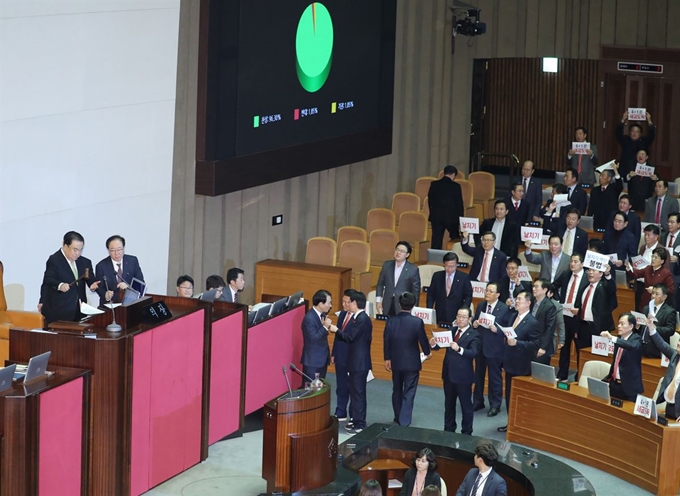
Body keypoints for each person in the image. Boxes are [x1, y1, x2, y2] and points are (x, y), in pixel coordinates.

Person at [384, 292, 432, 427]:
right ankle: (404, 422)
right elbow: (423, 340)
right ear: (413, 306)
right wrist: (427, 352)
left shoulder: (391, 320)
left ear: (399, 305)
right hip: (412, 363)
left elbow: (386, 340)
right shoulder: (417, 322)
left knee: (397, 389)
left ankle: (398, 417)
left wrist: (387, 358)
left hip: (396, 361)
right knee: (409, 392)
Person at [430, 307, 479, 434]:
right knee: (449, 405)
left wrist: (459, 349)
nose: (460, 319)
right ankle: (449, 430)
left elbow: (473, 353)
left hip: (463, 377)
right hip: (448, 375)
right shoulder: (451, 330)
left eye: (463, 317)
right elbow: (440, 345)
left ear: (469, 319)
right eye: (458, 316)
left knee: (466, 407)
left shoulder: (474, 334)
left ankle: (466, 432)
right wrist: (434, 344)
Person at [498, 291, 540, 432]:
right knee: (509, 396)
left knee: (519, 397)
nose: (517, 302)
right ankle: (510, 423)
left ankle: (520, 426)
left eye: (520, 300)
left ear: (528, 303)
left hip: (522, 366)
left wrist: (517, 343)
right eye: (516, 299)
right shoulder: (512, 317)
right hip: (509, 363)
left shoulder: (532, 322)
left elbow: (535, 344)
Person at [331, 291, 372, 433]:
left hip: (359, 363)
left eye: (350, 302)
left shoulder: (362, 318)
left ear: (355, 303)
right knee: (355, 392)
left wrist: (335, 330)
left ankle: (360, 423)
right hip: (354, 362)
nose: (348, 305)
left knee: (358, 393)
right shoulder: (357, 317)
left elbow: (350, 337)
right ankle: (355, 420)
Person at [40, 231, 99, 325]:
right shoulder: (54, 260)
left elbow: (89, 278)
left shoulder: (85, 262)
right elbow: (48, 279)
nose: (78, 253)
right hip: (60, 311)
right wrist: (60, 285)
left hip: (79, 311)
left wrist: (92, 284)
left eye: (80, 250)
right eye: (75, 250)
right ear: (65, 245)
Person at [472, 282, 511, 417]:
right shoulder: (481, 305)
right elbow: (476, 322)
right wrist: (475, 324)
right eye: (486, 290)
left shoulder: (504, 309)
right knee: (478, 376)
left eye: (491, 291)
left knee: (495, 378)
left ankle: (495, 405)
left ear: (498, 294)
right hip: (480, 347)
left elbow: (508, 329)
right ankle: (478, 401)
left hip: (495, 348)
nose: (487, 293)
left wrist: (498, 330)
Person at [555, 253, 589, 380]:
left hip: (578, 317)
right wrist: (559, 301)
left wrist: (580, 309)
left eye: (575, 261)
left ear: (582, 264)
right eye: (571, 261)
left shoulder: (587, 277)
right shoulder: (566, 274)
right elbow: (553, 286)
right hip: (565, 315)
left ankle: (579, 375)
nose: (572, 264)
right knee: (564, 346)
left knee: (579, 348)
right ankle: (562, 373)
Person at [601, 313, 644, 402]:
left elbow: (631, 346)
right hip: (614, 383)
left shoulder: (637, 340)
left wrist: (612, 338)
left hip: (629, 387)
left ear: (631, 326)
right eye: (618, 323)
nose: (619, 326)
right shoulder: (619, 339)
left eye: (622, 324)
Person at [94, 235, 145, 305]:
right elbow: (100, 288)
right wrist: (105, 295)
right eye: (112, 250)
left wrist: (128, 287)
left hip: (131, 304)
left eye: (119, 249)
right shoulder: (101, 266)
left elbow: (141, 284)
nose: (116, 253)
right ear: (108, 250)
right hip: (110, 305)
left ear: (123, 249)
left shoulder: (132, 261)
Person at [577, 267, 617, 353]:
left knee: (597, 355)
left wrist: (608, 274)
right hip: (583, 327)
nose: (590, 273)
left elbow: (612, 288)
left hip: (599, 328)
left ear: (601, 274)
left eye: (593, 270)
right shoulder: (585, 287)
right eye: (589, 270)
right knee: (582, 354)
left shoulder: (604, 287)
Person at [376, 241, 421, 316]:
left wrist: (414, 308)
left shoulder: (413, 270)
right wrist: (378, 301)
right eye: (397, 249)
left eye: (402, 251)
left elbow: (415, 291)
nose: (398, 252)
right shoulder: (387, 265)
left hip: (403, 306)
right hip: (387, 304)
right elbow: (380, 283)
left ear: (407, 255)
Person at [426, 252, 472, 324]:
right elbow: (431, 295)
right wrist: (429, 311)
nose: (449, 269)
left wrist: (463, 313)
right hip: (439, 314)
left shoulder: (464, 277)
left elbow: (468, 296)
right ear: (444, 264)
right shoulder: (437, 276)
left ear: (457, 264)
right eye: (447, 266)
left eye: (452, 266)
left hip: (456, 315)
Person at [301, 289, 336, 380]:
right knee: (312, 390)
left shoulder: (322, 315)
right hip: (313, 362)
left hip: (322, 359)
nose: (331, 306)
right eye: (329, 303)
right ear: (321, 304)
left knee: (320, 389)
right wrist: (324, 327)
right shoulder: (309, 318)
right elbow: (312, 338)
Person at [647, 323, 680, 420]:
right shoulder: (675, 355)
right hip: (669, 407)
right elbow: (662, 344)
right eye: (679, 341)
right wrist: (651, 329)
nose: (678, 343)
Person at [331, 289, 355, 420]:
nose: (344, 305)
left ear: (353, 302)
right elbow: (337, 336)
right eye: (343, 301)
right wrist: (334, 352)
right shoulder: (342, 315)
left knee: (352, 387)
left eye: (347, 302)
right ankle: (340, 411)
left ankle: (353, 414)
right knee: (340, 386)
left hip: (351, 357)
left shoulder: (359, 318)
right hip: (340, 355)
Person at [428, 165, 464, 249]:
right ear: (454, 174)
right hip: (451, 218)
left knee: (436, 240)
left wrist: (433, 212)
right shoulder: (456, 186)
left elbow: (430, 201)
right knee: (455, 238)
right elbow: (459, 204)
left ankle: (434, 259)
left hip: (436, 217)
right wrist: (461, 219)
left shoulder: (434, 184)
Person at [626, 247, 674, 312]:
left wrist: (655, 290)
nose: (653, 259)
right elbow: (636, 273)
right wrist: (629, 268)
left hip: (657, 303)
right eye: (652, 256)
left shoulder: (666, 273)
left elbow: (670, 289)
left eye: (656, 257)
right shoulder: (648, 268)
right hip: (645, 301)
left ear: (662, 261)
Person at [638, 284, 677, 359]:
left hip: (656, 350)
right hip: (642, 348)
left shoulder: (669, 311)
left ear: (664, 297)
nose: (653, 296)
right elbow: (642, 328)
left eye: (657, 294)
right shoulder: (646, 308)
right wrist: (638, 326)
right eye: (652, 293)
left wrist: (655, 328)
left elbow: (670, 330)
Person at [616, 110, 655, 179]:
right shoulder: (625, 140)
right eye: (633, 131)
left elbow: (651, 136)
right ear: (630, 132)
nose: (634, 133)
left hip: (638, 172)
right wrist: (623, 119)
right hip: (624, 170)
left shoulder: (643, 141)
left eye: (637, 132)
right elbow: (618, 133)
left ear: (640, 134)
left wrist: (649, 121)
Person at [531, 278, 558, 365]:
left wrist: (543, 347)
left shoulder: (550, 306)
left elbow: (550, 329)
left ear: (545, 290)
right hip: (530, 344)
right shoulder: (531, 303)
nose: (533, 289)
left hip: (541, 346)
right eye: (533, 286)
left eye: (536, 287)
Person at [662, 212, 680, 309]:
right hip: (663, 274)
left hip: (676, 275)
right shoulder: (664, 236)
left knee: (674, 303)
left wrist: (678, 259)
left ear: (679, 224)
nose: (669, 224)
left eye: (672, 222)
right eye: (668, 222)